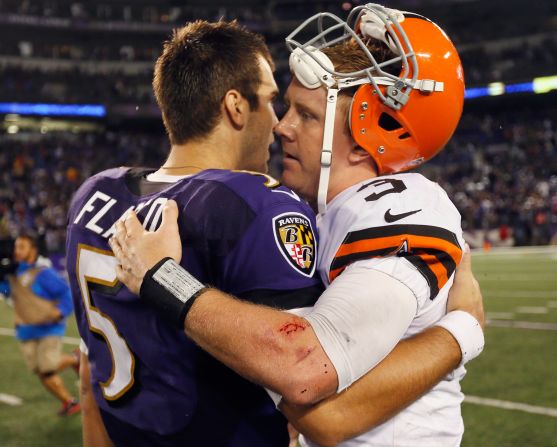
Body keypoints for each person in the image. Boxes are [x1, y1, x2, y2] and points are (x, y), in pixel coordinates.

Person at [111, 5, 484, 447]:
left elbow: (307, 376)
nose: (281, 128)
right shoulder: (327, 209)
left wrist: (161, 278)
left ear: (372, 128)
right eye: (288, 109)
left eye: (306, 115)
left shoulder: (400, 210)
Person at [0, 234, 80, 416]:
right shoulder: (13, 272)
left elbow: (66, 293)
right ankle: (69, 401)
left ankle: (76, 359)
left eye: (21, 247)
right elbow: (6, 292)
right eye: (16, 247)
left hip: (49, 329)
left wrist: (60, 312)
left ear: (33, 250)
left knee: (47, 367)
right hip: (25, 330)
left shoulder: (43, 273)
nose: (16, 251)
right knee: (40, 371)